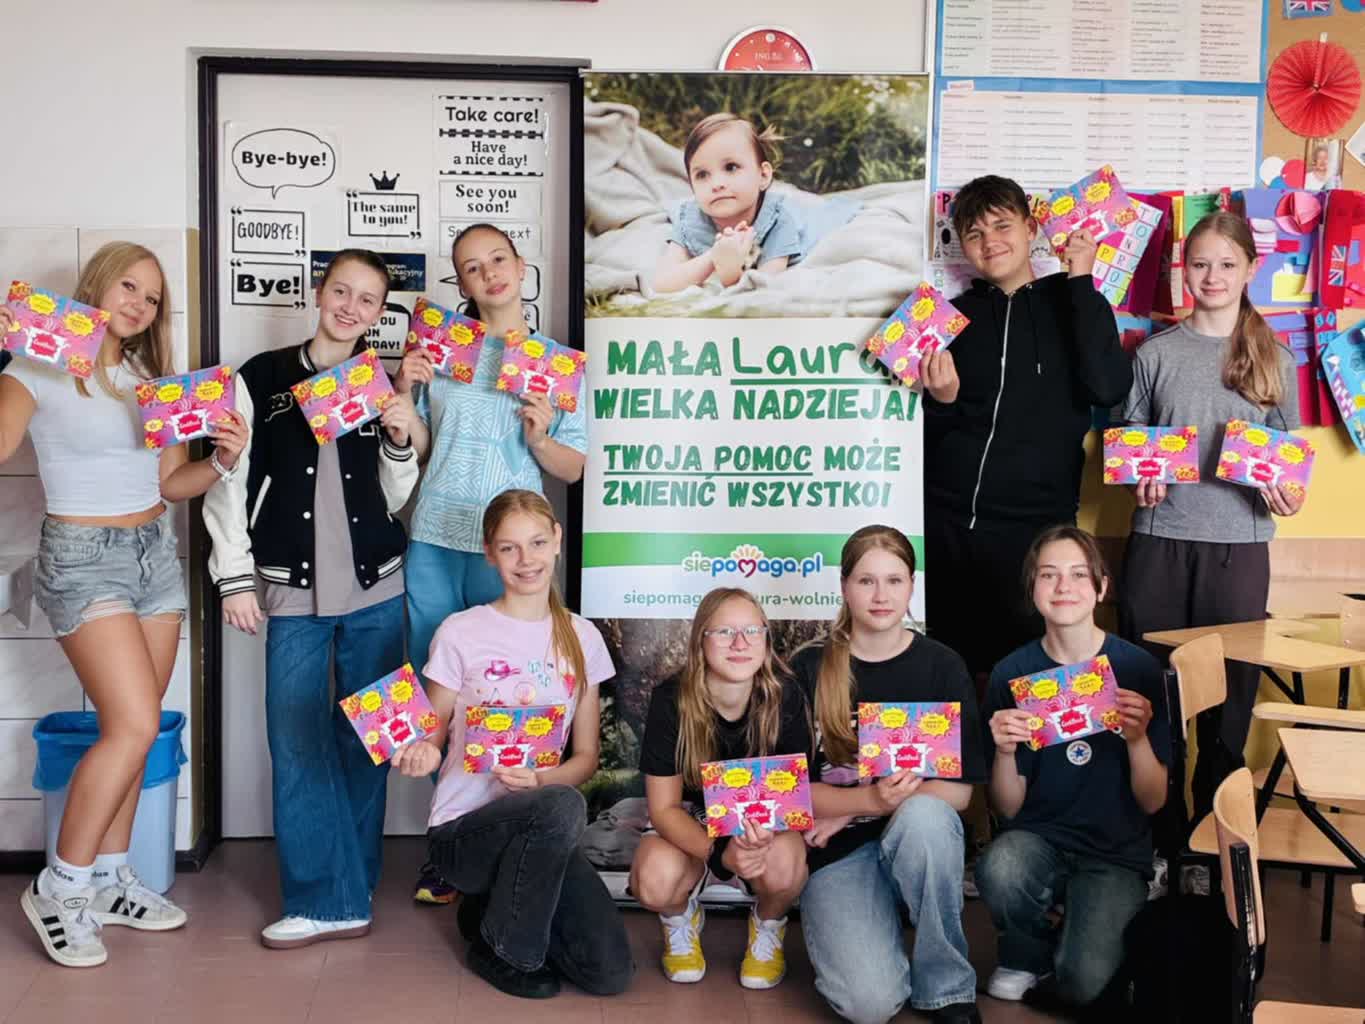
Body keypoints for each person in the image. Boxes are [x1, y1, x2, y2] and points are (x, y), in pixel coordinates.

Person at [1, 242, 248, 967]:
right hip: (82, 560)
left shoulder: (149, 383)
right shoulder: (37, 366)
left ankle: (110, 878)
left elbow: (171, 484)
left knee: (137, 731)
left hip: (154, 557)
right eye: (129, 287)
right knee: (134, 725)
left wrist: (223, 460)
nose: (139, 304)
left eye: (152, 297)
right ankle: (60, 888)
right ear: (97, 286)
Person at [203, 248, 420, 948]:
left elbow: (393, 495)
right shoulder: (259, 377)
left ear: (379, 313)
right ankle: (323, 897)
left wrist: (398, 439)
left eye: (368, 299)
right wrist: (235, 577)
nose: (351, 307)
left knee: (371, 739)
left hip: (378, 586)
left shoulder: (379, 380)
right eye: (342, 291)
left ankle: (350, 886)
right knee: (296, 741)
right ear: (320, 293)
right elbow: (228, 481)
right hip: (290, 588)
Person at [395, 223, 587, 904]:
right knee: (435, 699)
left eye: (498, 260)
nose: (489, 274)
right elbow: (422, 444)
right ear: (461, 283)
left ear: (521, 264)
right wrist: (404, 399)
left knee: (505, 694)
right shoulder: (442, 348)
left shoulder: (556, 363)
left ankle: (506, 840)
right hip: (435, 538)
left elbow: (573, 465)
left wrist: (540, 435)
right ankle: (450, 846)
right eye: (472, 268)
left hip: (510, 551)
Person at [392, 488, 633, 999]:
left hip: (543, 830)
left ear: (558, 541)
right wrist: (421, 751)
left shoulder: (582, 637)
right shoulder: (460, 631)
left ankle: (486, 912)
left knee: (609, 972)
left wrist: (541, 779)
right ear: (489, 553)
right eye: (509, 548)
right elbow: (431, 731)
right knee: (560, 806)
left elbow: (586, 758)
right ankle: (505, 951)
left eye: (537, 543)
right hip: (464, 835)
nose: (527, 560)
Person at [1117, 211, 1301, 824]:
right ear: (1183, 270)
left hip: (1238, 550)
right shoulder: (1155, 352)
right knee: (1152, 693)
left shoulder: (1275, 357)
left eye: (1227, 263)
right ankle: (1160, 839)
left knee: (1229, 704)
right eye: (1200, 263)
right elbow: (1132, 447)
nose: (1213, 275)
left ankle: (1210, 839)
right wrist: (1140, 480)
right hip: (1159, 543)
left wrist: (1288, 496)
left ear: (1251, 269)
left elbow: (1288, 465)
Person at [922, 174, 1131, 680]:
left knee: (1031, 680)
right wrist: (943, 403)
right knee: (950, 676)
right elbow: (919, 436)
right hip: (949, 529)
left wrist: (1081, 280)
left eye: (1002, 225)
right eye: (974, 234)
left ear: (1031, 228)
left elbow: (1108, 388)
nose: (990, 242)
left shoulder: (1075, 301)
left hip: (1037, 531)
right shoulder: (950, 320)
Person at [791, 525, 986, 1024]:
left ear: (912, 586)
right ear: (844, 586)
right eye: (866, 581)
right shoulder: (809, 667)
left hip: (918, 841)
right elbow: (791, 793)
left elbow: (959, 793)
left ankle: (947, 985)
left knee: (926, 819)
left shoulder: (942, 666)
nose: (881, 596)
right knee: (870, 1005)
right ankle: (881, 922)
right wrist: (865, 803)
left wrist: (875, 803)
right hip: (838, 852)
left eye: (894, 581)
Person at [976, 525, 1169, 1010]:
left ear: (1102, 588)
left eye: (1079, 574)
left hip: (1114, 853)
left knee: (1085, 986)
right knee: (1000, 865)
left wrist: (1137, 739)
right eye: (1049, 574)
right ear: (1032, 589)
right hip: (1037, 840)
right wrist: (1004, 752)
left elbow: (1153, 801)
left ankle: (1085, 930)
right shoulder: (1011, 674)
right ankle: (1026, 953)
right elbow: (1007, 807)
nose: (1064, 586)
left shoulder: (1139, 669)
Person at [630, 587, 811, 990]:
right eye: (725, 632)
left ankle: (768, 925)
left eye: (752, 630)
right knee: (654, 880)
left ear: (766, 638)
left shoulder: (786, 696)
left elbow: (794, 802)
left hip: (761, 822)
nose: (740, 643)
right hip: (693, 820)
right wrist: (719, 854)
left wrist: (753, 843)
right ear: (701, 640)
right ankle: (679, 918)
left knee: (786, 864)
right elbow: (664, 809)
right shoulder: (671, 699)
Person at [654, 113, 806, 292]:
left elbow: (765, 288)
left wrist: (730, 275)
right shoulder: (690, 220)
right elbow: (663, 284)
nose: (717, 184)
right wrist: (715, 255)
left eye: (731, 167)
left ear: (763, 175)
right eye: (702, 175)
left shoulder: (777, 221)